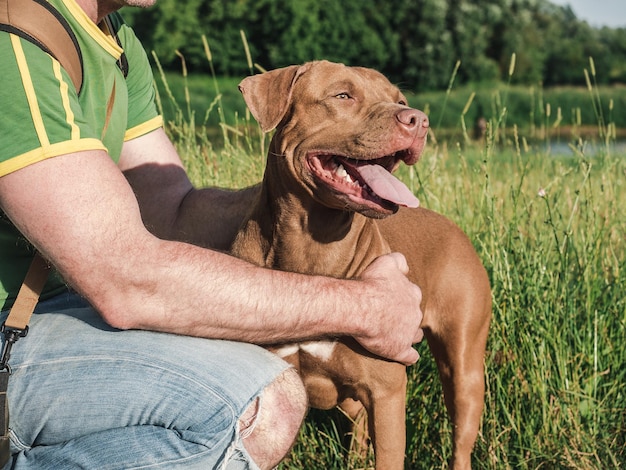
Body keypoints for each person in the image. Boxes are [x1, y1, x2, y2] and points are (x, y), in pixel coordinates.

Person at [0, 0, 425, 468]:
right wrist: (365, 307)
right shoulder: (16, 41)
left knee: (229, 355)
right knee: (262, 403)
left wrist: (292, 201)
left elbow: (174, 211)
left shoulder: (113, 40)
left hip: (62, 308)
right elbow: (124, 278)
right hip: (14, 323)